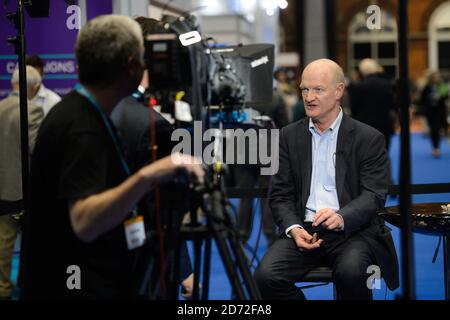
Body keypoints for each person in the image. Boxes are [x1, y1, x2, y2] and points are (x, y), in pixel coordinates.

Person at [19, 15, 204, 300]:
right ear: (131, 66)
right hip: (73, 282)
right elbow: (84, 222)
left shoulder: (81, 112)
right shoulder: (82, 126)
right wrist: (150, 174)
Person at [254, 59, 399, 300]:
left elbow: (373, 195)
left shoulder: (368, 138)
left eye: (318, 90)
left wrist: (341, 217)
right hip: (305, 230)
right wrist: (294, 228)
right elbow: (280, 195)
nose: (309, 97)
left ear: (339, 91)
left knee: (352, 273)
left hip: (353, 232)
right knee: (265, 277)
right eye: (304, 89)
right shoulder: (288, 136)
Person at [110, 16, 196, 299]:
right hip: (144, 262)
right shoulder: (152, 123)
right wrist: (184, 269)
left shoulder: (103, 105)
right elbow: (161, 210)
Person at [0, 66, 44, 300]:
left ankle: (2, 290)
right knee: (33, 245)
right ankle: (30, 287)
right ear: (34, 88)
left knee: (3, 245)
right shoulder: (33, 110)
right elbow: (37, 149)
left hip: (2, 187)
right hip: (25, 191)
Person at [349, 58, 397, 183]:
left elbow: (354, 109)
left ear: (362, 71)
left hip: (365, 126)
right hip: (385, 124)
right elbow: (393, 105)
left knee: (365, 156)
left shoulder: (359, 87)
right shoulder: (387, 85)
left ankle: (369, 183)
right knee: (384, 154)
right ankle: (389, 183)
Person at [420, 71, 449, 158]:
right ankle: (435, 148)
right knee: (434, 130)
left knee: (441, 127)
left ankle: (442, 139)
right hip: (431, 113)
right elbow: (422, 100)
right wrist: (430, 99)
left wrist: (440, 97)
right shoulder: (426, 87)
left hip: (440, 112)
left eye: (437, 77)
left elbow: (446, 97)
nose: (436, 78)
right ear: (431, 78)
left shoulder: (441, 86)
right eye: (434, 77)